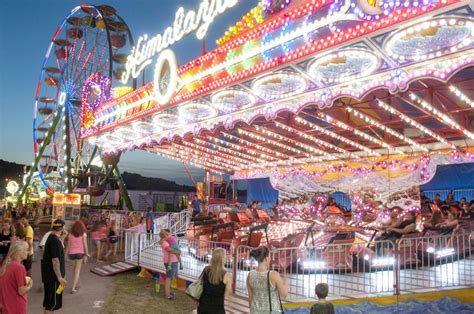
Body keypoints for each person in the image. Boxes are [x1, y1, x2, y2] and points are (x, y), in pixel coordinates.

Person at [246, 246, 288, 313]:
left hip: (255, 311)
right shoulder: (273, 275)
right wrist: (285, 280)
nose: (270, 258)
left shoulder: (250, 275)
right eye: (269, 256)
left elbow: (250, 297)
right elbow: (284, 294)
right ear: (266, 258)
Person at [0, 240, 33, 314]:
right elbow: (21, 291)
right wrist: (30, 285)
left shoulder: (5, 265)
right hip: (17, 306)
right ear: (19, 251)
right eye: (26, 250)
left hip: (6, 306)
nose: (28, 252)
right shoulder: (19, 268)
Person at [41, 219, 67, 313]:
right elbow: (55, 260)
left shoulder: (53, 238)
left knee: (52, 302)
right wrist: (59, 277)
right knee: (51, 304)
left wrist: (63, 236)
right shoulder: (54, 241)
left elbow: (59, 249)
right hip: (54, 278)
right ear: (62, 228)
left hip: (53, 277)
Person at [197, 248, 233, 314]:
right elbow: (226, 294)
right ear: (223, 259)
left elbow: (200, 284)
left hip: (203, 306)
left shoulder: (206, 269)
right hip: (217, 308)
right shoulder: (227, 275)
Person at [65, 221, 89, 293]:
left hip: (71, 254)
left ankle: (78, 284)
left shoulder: (70, 235)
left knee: (74, 270)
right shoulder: (83, 234)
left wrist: (65, 256)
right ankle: (73, 288)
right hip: (80, 254)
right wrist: (87, 253)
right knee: (77, 271)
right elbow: (85, 244)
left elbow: (68, 246)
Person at [159, 229, 179, 300]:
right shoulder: (164, 242)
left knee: (170, 277)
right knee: (169, 278)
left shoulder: (168, 241)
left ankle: (169, 291)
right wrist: (178, 251)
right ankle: (167, 294)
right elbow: (169, 249)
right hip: (169, 262)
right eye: (168, 234)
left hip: (174, 261)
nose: (170, 235)